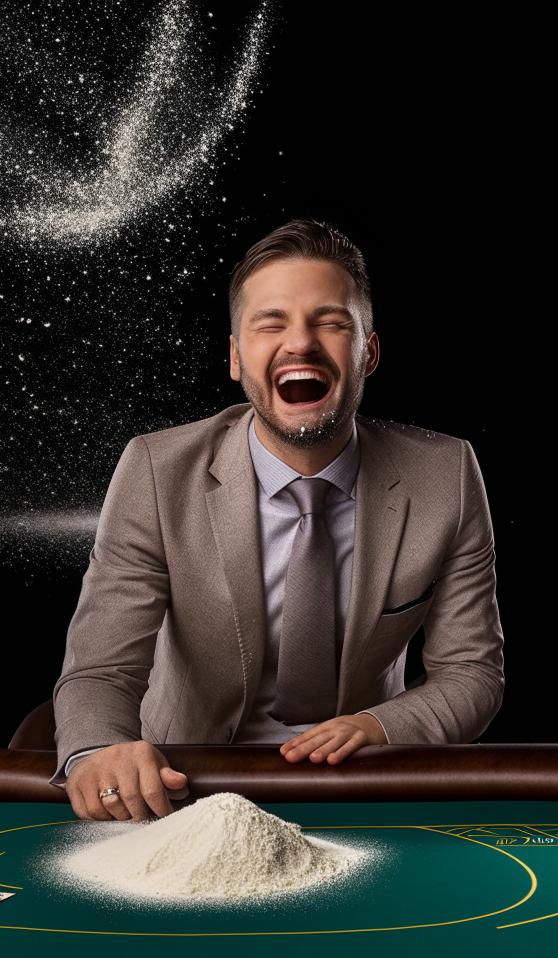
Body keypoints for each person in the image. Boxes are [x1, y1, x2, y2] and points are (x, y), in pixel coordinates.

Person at [51, 218, 504, 822]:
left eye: (331, 322)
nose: (301, 344)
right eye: (271, 323)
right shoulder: (156, 470)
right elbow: (101, 669)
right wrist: (101, 749)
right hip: (188, 781)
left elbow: (471, 671)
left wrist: (383, 726)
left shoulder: (445, 473)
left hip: (365, 779)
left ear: (369, 352)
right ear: (237, 359)